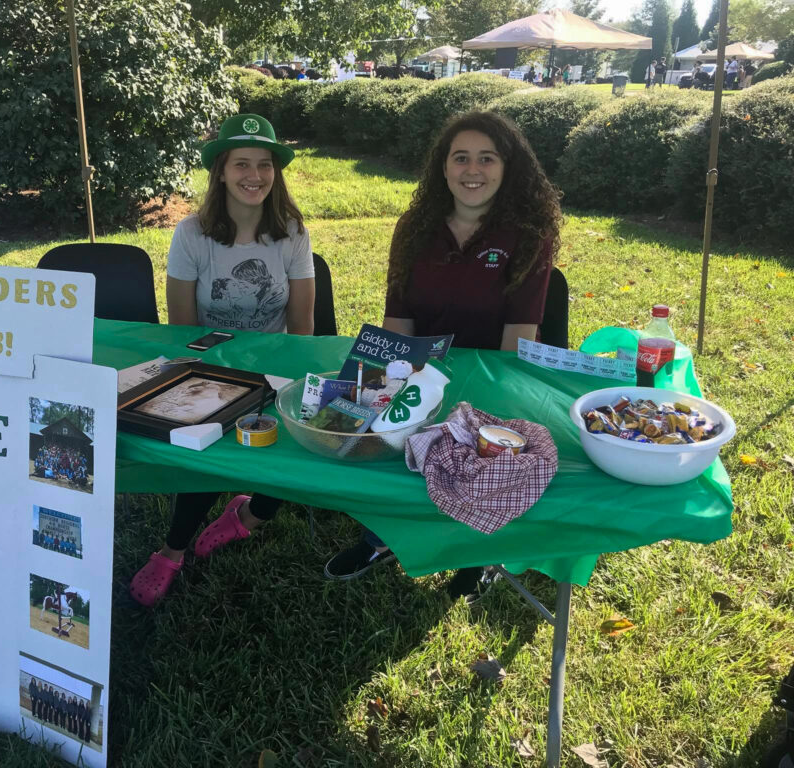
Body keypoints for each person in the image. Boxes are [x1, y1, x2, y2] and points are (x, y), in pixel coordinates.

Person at [322, 111, 562, 594]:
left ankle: (474, 554)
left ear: (507, 167)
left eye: (487, 158)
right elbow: (398, 322)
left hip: (496, 381)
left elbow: (518, 340)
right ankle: (382, 536)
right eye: (461, 158)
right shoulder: (414, 227)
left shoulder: (530, 233)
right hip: (420, 373)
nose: (473, 170)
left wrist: (470, 407)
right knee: (382, 441)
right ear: (444, 167)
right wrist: (388, 389)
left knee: (476, 458)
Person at [128, 113, 315, 607]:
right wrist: (215, 384)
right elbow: (185, 328)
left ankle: (247, 516)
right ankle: (172, 549)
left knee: (296, 451)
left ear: (276, 172)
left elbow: (303, 329)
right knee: (202, 446)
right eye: (241, 164)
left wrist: (293, 389)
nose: (254, 175)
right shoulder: (192, 234)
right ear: (221, 172)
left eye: (264, 164)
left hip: (274, 368)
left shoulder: (293, 232)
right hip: (210, 368)